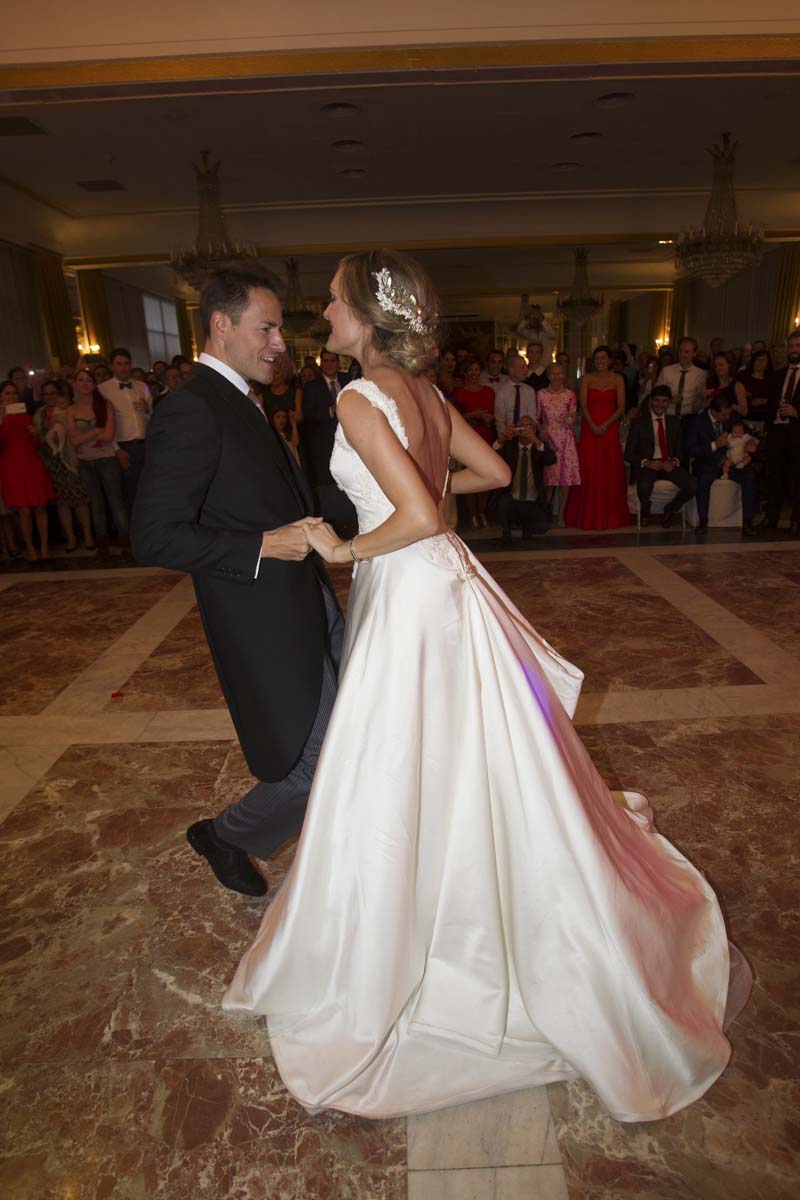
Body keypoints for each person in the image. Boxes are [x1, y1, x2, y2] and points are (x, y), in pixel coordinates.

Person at [222, 248, 748, 1123]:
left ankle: (422, 923)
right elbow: (488, 477)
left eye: (336, 300)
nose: (327, 313)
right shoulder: (425, 394)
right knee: (466, 749)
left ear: (367, 314)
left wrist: (344, 546)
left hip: (407, 589)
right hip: (442, 582)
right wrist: (420, 494)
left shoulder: (359, 397)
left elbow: (420, 513)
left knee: (403, 755)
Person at [132, 269, 342, 899]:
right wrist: (263, 545)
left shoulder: (239, 398)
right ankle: (225, 835)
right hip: (262, 617)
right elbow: (154, 536)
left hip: (306, 598)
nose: (279, 343)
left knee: (351, 734)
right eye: (266, 328)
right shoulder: (192, 406)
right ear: (221, 325)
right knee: (316, 757)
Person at [564, 345, 630, 529]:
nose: (600, 361)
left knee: (609, 469)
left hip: (610, 429)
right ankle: (586, 515)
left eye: (603, 358)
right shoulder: (587, 378)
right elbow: (583, 405)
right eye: (597, 358)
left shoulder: (618, 379)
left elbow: (621, 407)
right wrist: (593, 425)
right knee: (589, 469)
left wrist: (606, 425)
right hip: (590, 429)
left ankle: (610, 516)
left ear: (610, 360)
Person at [67, 368, 129, 552]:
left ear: (94, 384)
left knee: (116, 501)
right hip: (85, 461)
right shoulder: (71, 409)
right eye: (81, 380)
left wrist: (84, 436)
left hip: (107, 459)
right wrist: (95, 431)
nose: (85, 384)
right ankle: (102, 540)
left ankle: (125, 537)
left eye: (88, 380)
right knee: (95, 503)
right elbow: (73, 440)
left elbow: (108, 435)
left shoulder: (105, 404)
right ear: (75, 384)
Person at [34, 378, 95, 551]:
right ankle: (71, 538)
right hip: (50, 461)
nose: (49, 397)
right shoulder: (40, 413)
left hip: (69, 457)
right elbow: (39, 438)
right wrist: (38, 433)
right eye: (46, 394)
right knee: (61, 501)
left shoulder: (69, 409)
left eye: (52, 393)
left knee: (79, 497)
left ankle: (88, 536)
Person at [624, 385, 697, 527]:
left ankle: (670, 509)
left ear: (669, 402)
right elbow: (628, 454)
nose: (660, 404)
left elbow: (681, 452)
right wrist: (647, 463)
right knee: (644, 486)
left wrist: (673, 462)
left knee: (692, 485)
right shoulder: (639, 422)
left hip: (668, 463)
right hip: (648, 464)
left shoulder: (675, 422)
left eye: (664, 401)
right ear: (651, 401)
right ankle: (645, 510)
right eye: (657, 400)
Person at [0, 379, 56, 561]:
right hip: (11, 467)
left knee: (40, 506)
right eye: (7, 393)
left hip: (31, 464)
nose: (11, 396)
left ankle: (44, 547)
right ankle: (30, 548)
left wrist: (36, 435)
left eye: (14, 393)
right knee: (23, 511)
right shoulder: (2, 418)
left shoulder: (26, 416)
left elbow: (36, 444)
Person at [688, 395, 757, 536]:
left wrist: (750, 443)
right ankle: (703, 521)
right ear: (713, 411)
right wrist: (715, 445)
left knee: (750, 476)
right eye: (724, 415)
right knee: (703, 479)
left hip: (733, 462)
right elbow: (690, 449)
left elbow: (747, 435)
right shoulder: (697, 421)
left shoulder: (733, 417)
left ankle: (748, 521)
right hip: (708, 463)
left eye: (729, 414)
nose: (728, 417)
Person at [98, 347, 152, 518]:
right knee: (129, 492)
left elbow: (151, 416)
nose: (123, 368)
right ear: (112, 366)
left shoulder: (142, 386)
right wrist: (116, 449)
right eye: (119, 364)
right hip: (123, 447)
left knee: (148, 489)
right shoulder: (103, 389)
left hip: (144, 444)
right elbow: (103, 423)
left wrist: (147, 410)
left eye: (126, 363)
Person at [495, 413, 554, 541]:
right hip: (512, 498)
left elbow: (551, 460)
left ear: (534, 429)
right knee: (502, 502)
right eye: (521, 426)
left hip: (533, 500)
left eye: (529, 426)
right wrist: (502, 438)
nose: (525, 429)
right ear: (516, 430)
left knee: (540, 528)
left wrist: (537, 441)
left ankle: (528, 528)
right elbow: (491, 456)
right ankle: (506, 532)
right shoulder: (510, 445)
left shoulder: (538, 446)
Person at [453, 356, 496, 528]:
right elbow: (455, 418)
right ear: (465, 372)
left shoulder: (489, 391)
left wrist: (487, 417)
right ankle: (472, 515)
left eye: (477, 370)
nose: (474, 373)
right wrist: (474, 414)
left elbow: (492, 415)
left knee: (486, 475)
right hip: (467, 439)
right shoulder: (459, 392)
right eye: (470, 370)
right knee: (470, 477)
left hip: (485, 436)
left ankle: (482, 513)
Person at [765, 329, 800, 533]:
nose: (794, 350)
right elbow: (770, 406)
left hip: (797, 433)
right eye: (791, 346)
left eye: (798, 346)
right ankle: (771, 518)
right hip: (778, 432)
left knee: (796, 479)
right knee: (774, 477)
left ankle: (796, 520)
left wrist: (797, 412)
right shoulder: (778, 375)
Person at [537, 360, 580, 525]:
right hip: (549, 439)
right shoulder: (541, 394)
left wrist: (571, 419)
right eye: (553, 373)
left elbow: (573, 415)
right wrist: (541, 431)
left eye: (560, 373)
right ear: (548, 375)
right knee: (549, 480)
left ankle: (561, 515)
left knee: (565, 480)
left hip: (566, 440)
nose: (557, 376)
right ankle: (544, 514)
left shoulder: (570, 394)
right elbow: (536, 418)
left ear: (564, 375)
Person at [300, 350, 349, 490]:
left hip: (350, 438)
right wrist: (331, 411)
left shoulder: (348, 379)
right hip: (324, 443)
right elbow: (308, 414)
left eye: (332, 361)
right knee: (330, 486)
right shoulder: (312, 386)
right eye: (326, 361)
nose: (329, 364)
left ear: (338, 363)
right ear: (321, 363)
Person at [494, 352, 538, 437]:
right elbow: (500, 420)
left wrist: (529, 436)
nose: (526, 370)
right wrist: (504, 437)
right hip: (507, 435)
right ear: (511, 370)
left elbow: (532, 417)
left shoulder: (529, 391)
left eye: (526, 367)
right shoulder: (501, 391)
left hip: (525, 436)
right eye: (522, 367)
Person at [707, 352, 747, 418]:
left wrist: (729, 404)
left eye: (721, 365)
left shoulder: (737, 385)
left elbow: (744, 412)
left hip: (731, 421)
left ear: (729, 365)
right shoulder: (710, 383)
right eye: (715, 366)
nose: (718, 368)